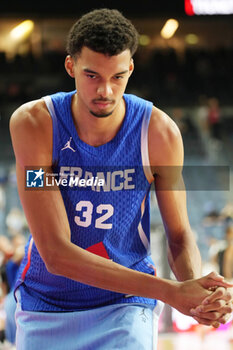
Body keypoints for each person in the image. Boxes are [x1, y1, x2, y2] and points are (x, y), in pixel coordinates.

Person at [9, 8, 232, 350]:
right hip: (48, 303)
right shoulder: (35, 125)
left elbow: (179, 234)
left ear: (130, 69)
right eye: (92, 75)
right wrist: (172, 292)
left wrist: (195, 292)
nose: (106, 91)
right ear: (70, 67)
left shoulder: (159, 134)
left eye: (117, 77)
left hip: (126, 302)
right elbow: (56, 253)